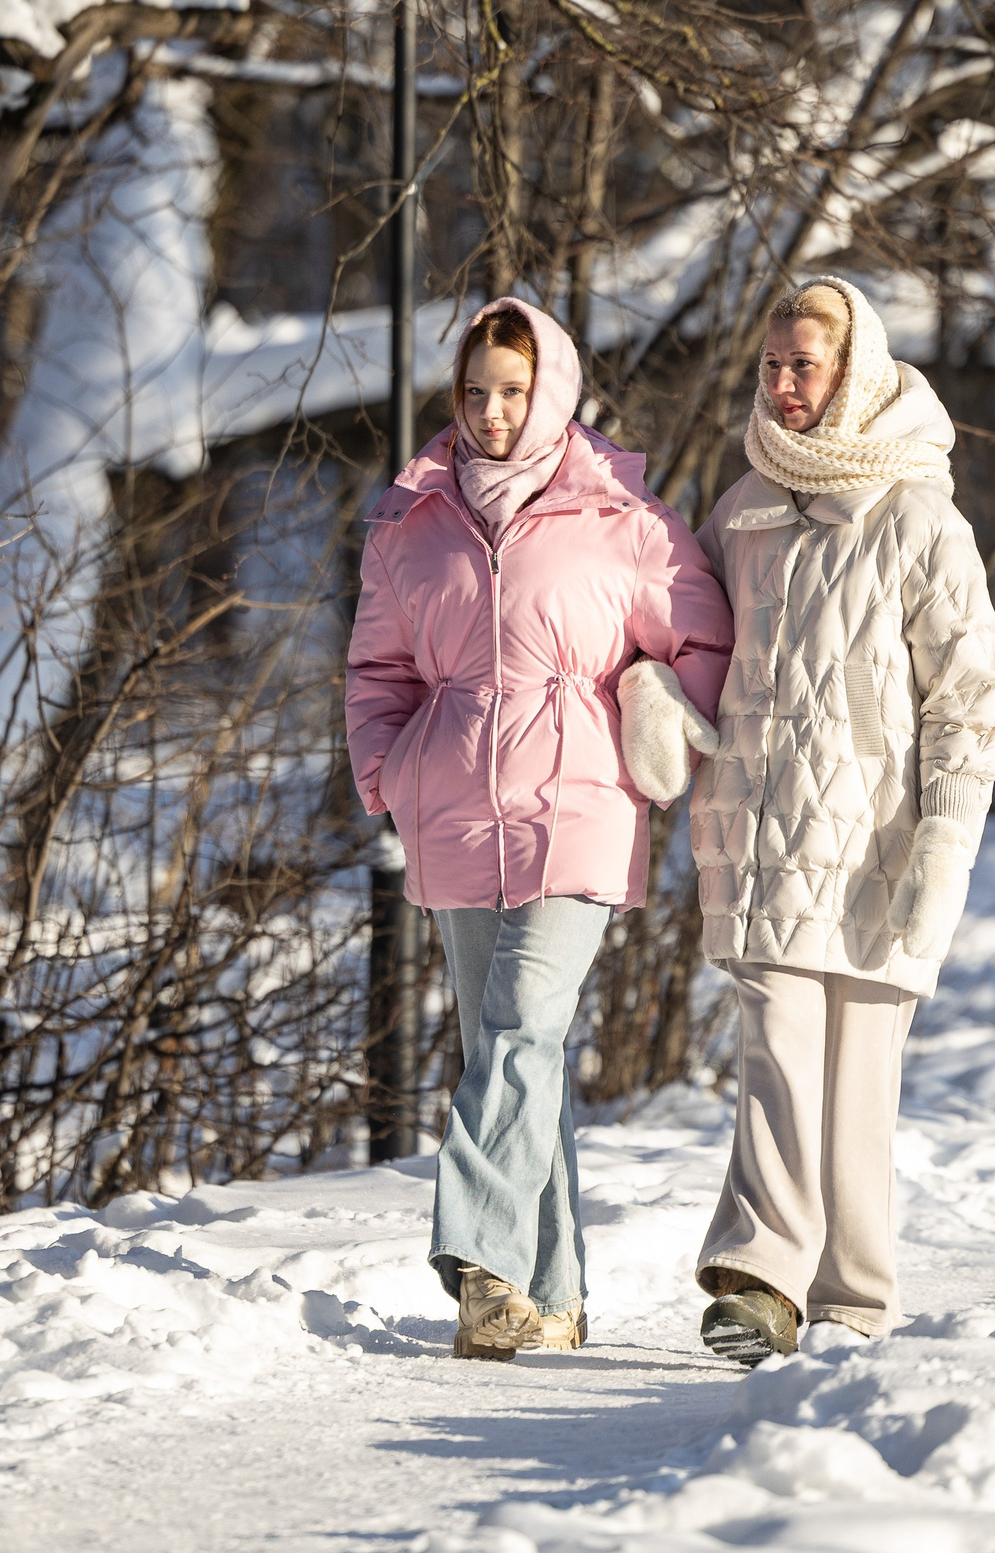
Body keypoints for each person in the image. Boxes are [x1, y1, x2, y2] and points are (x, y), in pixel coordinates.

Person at [346, 297, 731, 1359]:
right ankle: (551, 1298)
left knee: (520, 1025)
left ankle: (477, 1257)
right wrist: (388, 770)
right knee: (510, 1052)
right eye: (475, 391)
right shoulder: (412, 520)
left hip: (581, 802)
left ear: (551, 390)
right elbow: (376, 666)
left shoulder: (623, 517)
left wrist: (657, 713)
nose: (491, 412)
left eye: (513, 391)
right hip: (453, 808)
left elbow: (703, 642)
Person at [688, 275, 995, 1363]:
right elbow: (689, 640)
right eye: (772, 364)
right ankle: (762, 1277)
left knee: (858, 1078)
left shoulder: (918, 516)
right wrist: (659, 702)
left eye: (805, 365)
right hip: (760, 827)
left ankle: (852, 1296)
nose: (784, 385)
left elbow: (971, 696)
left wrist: (947, 838)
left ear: (854, 370)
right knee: (777, 1047)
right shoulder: (742, 508)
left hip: (880, 839)